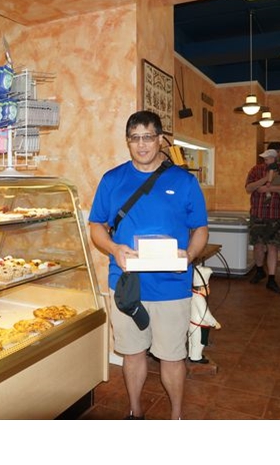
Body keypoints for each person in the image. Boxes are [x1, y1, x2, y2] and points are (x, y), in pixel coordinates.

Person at [89, 110, 209, 420]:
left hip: (172, 286)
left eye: (148, 137)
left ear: (159, 140)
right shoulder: (112, 179)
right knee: (132, 353)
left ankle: (176, 417)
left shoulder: (183, 181)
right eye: (135, 138)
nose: (142, 145)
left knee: (172, 356)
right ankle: (135, 411)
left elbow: (200, 228)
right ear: (128, 142)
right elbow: (96, 226)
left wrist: (190, 254)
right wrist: (114, 248)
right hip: (127, 285)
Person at [245, 144, 280, 293]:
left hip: (277, 215)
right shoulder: (255, 170)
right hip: (258, 214)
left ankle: (272, 279)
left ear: (275, 157)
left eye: (270, 157)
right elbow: (248, 188)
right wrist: (265, 179)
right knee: (258, 245)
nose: (268, 159)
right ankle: (260, 270)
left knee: (273, 247)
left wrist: (269, 188)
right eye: (266, 158)